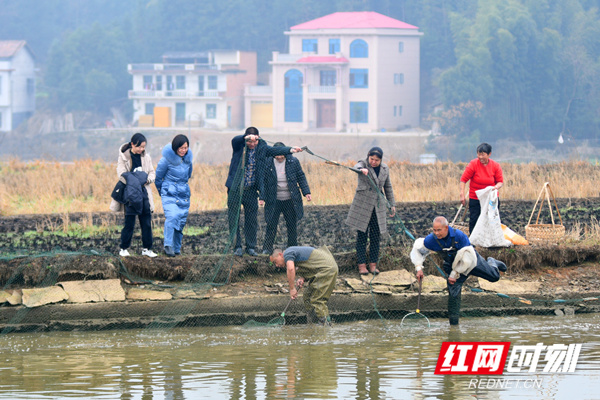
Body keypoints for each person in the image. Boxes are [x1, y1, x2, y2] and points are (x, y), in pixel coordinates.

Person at [410, 216, 507, 325]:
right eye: (434, 230)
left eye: (439, 230)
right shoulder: (431, 240)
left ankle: (492, 262)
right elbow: (418, 250)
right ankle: (454, 326)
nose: (436, 233)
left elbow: (467, 260)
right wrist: (418, 268)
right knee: (454, 294)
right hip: (451, 265)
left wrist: (454, 274)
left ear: (446, 228)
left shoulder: (459, 236)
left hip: (472, 261)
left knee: (494, 277)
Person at [225, 127, 303, 257]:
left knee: (251, 220)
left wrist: (291, 149)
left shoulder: (262, 148)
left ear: (258, 138)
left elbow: (275, 150)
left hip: (250, 190)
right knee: (234, 219)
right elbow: (234, 140)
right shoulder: (239, 146)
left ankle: (250, 247)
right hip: (235, 190)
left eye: (254, 141)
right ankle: (237, 247)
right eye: (250, 141)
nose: (252, 144)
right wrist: (245, 138)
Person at [345, 147, 396, 275]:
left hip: (377, 207)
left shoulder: (385, 169)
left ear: (381, 160)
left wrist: (392, 204)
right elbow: (355, 167)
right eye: (372, 159)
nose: (373, 162)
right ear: (368, 156)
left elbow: (388, 186)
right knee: (362, 236)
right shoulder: (362, 164)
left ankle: (373, 264)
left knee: (375, 236)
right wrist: (361, 170)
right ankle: (362, 265)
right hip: (363, 206)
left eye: (376, 160)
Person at [110, 133, 157, 258]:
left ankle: (147, 249)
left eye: (143, 147)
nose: (142, 149)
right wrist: (136, 181)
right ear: (132, 144)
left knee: (146, 222)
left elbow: (152, 172)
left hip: (144, 192)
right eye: (139, 147)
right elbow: (121, 174)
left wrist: (148, 179)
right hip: (130, 193)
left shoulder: (146, 157)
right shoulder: (124, 157)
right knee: (129, 222)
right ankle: (124, 248)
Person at [261, 142, 312, 255]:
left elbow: (301, 176)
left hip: (290, 199)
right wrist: (262, 197)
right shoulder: (268, 162)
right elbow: (263, 181)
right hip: (274, 200)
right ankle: (267, 249)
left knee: (291, 225)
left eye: (281, 154)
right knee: (271, 225)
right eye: (277, 155)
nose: (279, 157)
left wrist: (306, 192)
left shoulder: (293, 162)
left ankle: (292, 249)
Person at [270, 246, 338, 326]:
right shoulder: (292, 254)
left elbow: (291, 269)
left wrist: (292, 289)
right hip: (322, 269)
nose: (277, 265)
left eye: (275, 262)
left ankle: (325, 323)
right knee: (307, 295)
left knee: (317, 299)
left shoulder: (288, 253)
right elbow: (312, 264)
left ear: (280, 254)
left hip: (327, 270)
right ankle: (312, 322)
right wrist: (303, 278)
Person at [155, 134, 193, 257]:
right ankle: (168, 245)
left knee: (181, 221)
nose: (183, 150)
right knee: (172, 216)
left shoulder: (188, 160)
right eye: (181, 148)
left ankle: (177, 248)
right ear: (175, 148)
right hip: (169, 193)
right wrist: (164, 191)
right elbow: (158, 178)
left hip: (183, 194)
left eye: (185, 148)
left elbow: (188, 176)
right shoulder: (166, 160)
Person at [460, 143, 504, 234]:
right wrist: (462, 194)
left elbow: (500, 182)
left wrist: (496, 187)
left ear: (489, 154)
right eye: (479, 154)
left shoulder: (495, 166)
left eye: (483, 154)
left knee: (491, 219)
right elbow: (463, 180)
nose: (480, 157)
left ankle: (489, 240)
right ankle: (473, 240)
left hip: (490, 198)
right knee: (474, 219)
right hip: (475, 197)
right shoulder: (473, 164)